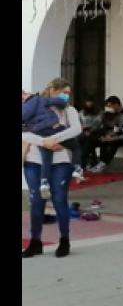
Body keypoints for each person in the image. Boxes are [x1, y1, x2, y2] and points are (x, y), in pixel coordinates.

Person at [22, 79, 82, 258]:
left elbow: (76, 130)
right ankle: (35, 242)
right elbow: (24, 131)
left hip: (61, 162)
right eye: (64, 92)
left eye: (69, 93)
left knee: (59, 199)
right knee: (36, 201)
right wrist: (43, 142)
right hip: (34, 160)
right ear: (52, 90)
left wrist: (55, 139)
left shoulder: (69, 110)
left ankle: (64, 240)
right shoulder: (33, 106)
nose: (66, 96)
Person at [22, 89, 83, 197]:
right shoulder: (39, 99)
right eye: (65, 92)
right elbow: (56, 101)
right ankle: (77, 169)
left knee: (46, 158)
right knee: (75, 147)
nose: (66, 95)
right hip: (54, 128)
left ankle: (44, 182)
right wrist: (63, 102)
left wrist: (43, 140)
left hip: (40, 134)